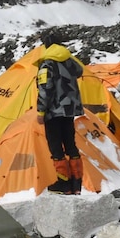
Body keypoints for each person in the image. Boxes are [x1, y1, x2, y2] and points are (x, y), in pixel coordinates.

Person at [35, 36, 85, 194]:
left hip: (53, 111)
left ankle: (62, 185)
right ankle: (76, 184)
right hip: (69, 110)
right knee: (71, 144)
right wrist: (68, 55)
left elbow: (45, 90)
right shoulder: (69, 61)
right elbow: (80, 70)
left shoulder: (47, 63)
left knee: (56, 147)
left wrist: (41, 111)